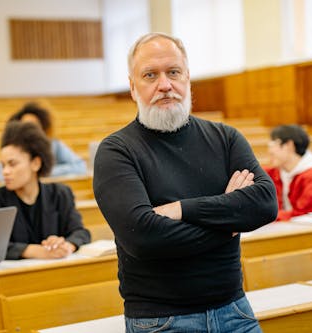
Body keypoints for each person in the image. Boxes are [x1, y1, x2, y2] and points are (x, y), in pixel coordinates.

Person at [93, 32, 278, 333]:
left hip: (235, 310)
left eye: (173, 72)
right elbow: (143, 238)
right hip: (161, 321)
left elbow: (266, 204)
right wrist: (230, 223)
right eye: (150, 75)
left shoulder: (226, 138)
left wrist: (181, 209)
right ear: (132, 87)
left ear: (188, 78)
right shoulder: (117, 151)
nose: (165, 85)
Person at [0, 121, 90, 260]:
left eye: (12, 164)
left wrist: (66, 245)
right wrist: (32, 251)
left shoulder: (60, 194)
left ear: (36, 163)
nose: (5, 172)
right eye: (3, 165)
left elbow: (80, 232)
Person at [0, 102, 87, 181]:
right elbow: (1, 175)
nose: (30, 130)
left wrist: (43, 172)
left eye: (34, 126)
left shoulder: (54, 145)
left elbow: (80, 166)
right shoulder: (12, 149)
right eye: (26, 126)